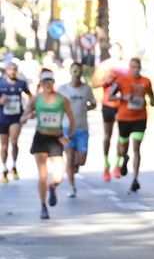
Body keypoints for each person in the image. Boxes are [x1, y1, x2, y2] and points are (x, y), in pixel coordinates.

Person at [21, 71, 74, 218]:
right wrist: (28, 116)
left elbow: (72, 119)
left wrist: (68, 136)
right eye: (45, 82)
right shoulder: (36, 99)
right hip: (41, 137)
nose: (48, 84)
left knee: (58, 175)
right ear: (41, 84)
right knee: (43, 175)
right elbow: (22, 118)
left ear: (53, 83)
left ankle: (53, 186)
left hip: (56, 138)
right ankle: (43, 206)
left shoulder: (62, 100)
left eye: (50, 81)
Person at [109, 57, 154, 192]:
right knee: (123, 147)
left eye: (137, 67)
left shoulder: (146, 81)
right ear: (129, 68)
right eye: (132, 67)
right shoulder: (121, 81)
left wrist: (152, 101)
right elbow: (110, 96)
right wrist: (123, 97)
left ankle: (135, 178)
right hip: (124, 118)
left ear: (140, 68)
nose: (135, 70)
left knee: (136, 148)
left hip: (140, 118)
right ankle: (124, 157)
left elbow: (152, 98)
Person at [56, 63, 96, 198]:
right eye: (74, 70)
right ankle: (72, 187)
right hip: (67, 128)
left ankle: (75, 165)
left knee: (81, 160)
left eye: (79, 70)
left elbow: (93, 103)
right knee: (69, 157)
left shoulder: (86, 89)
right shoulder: (62, 89)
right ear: (70, 71)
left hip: (82, 128)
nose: (76, 73)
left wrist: (87, 107)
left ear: (81, 72)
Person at [91, 43, 125, 180]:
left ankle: (117, 164)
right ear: (110, 51)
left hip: (122, 105)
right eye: (114, 50)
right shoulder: (104, 66)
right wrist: (106, 81)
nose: (116, 52)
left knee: (122, 136)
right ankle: (106, 164)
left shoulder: (126, 66)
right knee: (108, 135)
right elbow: (94, 83)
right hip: (108, 104)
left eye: (119, 50)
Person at [0, 60, 32, 181]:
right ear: (6, 71)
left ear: (17, 71)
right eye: (10, 69)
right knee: (4, 146)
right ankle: (4, 168)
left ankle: (14, 165)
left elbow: (30, 96)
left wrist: (28, 111)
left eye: (14, 69)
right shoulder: (1, 82)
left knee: (14, 141)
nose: (12, 72)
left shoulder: (21, 83)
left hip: (16, 117)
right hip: (3, 118)